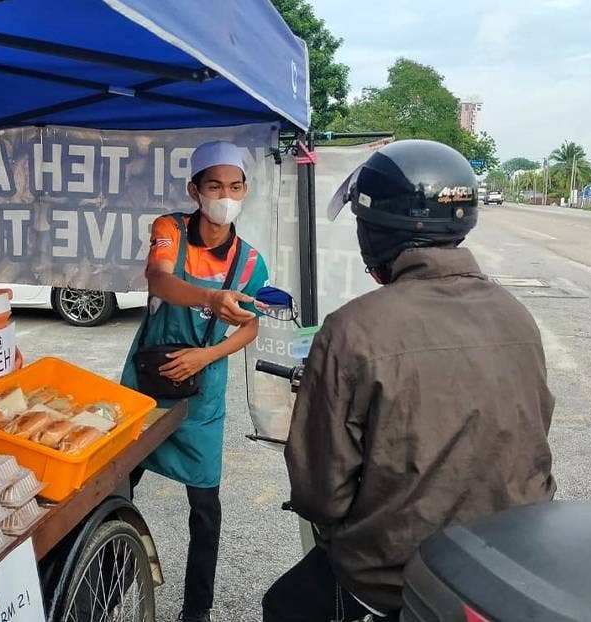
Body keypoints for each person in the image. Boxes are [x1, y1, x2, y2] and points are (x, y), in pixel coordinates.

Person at [262, 139, 556, 621]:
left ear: (375, 233)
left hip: (395, 573)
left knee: (282, 606)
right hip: (509, 560)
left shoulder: (352, 328)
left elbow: (321, 494)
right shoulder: (515, 314)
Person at [120, 140, 269, 622]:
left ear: (245, 190)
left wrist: (205, 355)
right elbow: (159, 280)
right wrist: (210, 297)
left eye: (235, 187)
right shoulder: (170, 230)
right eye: (215, 186)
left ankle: (197, 610)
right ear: (195, 190)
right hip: (147, 381)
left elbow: (250, 325)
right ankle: (105, 582)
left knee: (205, 506)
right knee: (118, 485)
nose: (225, 196)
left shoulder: (251, 263)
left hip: (201, 390)